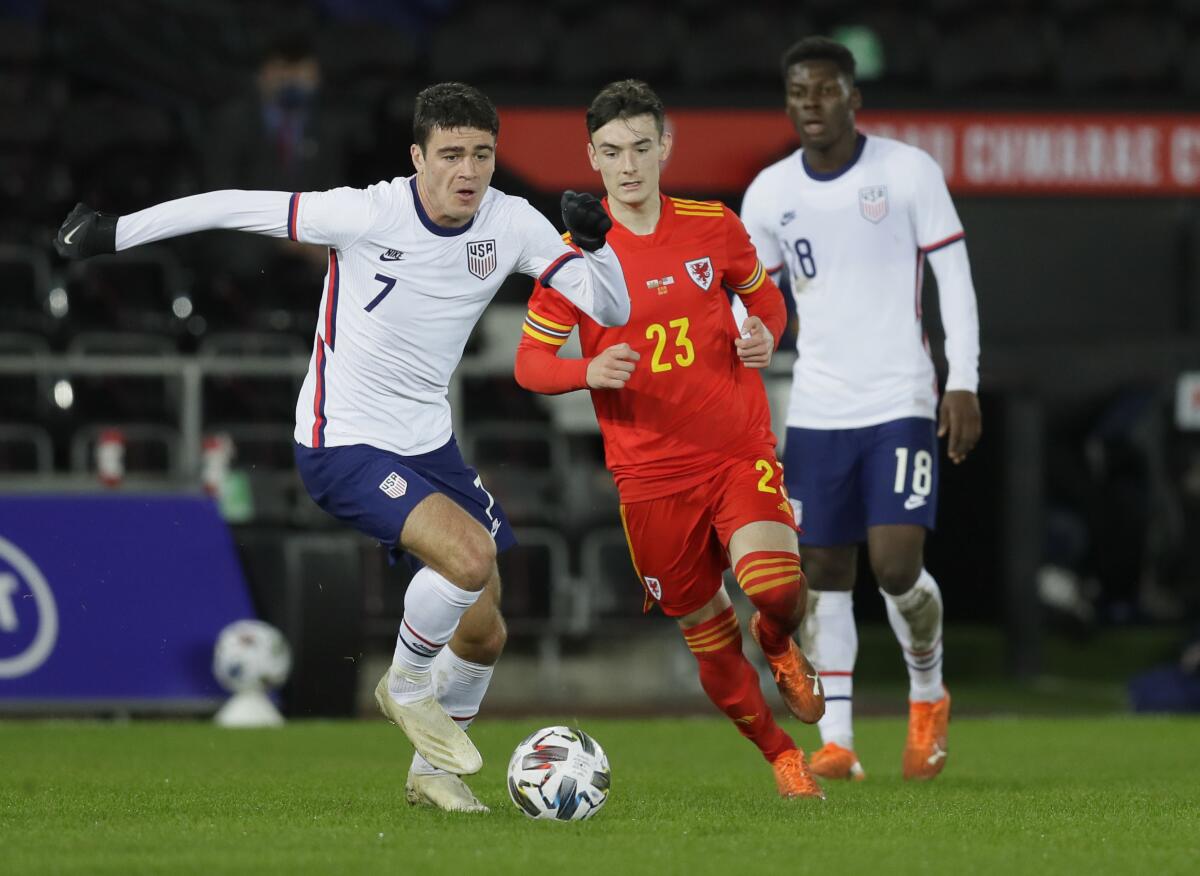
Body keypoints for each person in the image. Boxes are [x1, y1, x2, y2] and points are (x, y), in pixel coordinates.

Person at [55, 82, 630, 813]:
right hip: (343, 441)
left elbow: (610, 307)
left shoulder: (510, 222)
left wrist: (595, 244)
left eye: (482, 155)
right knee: (471, 557)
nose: (468, 171)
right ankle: (407, 683)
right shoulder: (365, 213)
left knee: (485, 629)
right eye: (451, 154)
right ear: (417, 157)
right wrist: (113, 233)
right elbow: (232, 203)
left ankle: (432, 772)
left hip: (429, 448)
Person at [514, 80, 826, 800]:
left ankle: (779, 642)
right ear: (591, 157)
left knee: (774, 589)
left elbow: (766, 298)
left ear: (666, 147)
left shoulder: (712, 224)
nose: (629, 166)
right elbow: (530, 364)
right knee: (710, 637)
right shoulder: (572, 258)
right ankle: (781, 756)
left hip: (735, 448)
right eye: (614, 152)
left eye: (642, 148)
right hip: (650, 480)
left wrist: (763, 336)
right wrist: (587, 368)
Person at [740, 37, 982, 781]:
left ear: (853, 98)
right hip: (817, 403)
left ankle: (926, 691)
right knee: (820, 566)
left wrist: (963, 379)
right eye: (798, 93)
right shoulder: (769, 193)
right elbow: (751, 305)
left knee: (896, 564)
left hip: (900, 395)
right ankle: (839, 740)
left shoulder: (906, 172)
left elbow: (955, 280)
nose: (810, 105)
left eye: (824, 90)